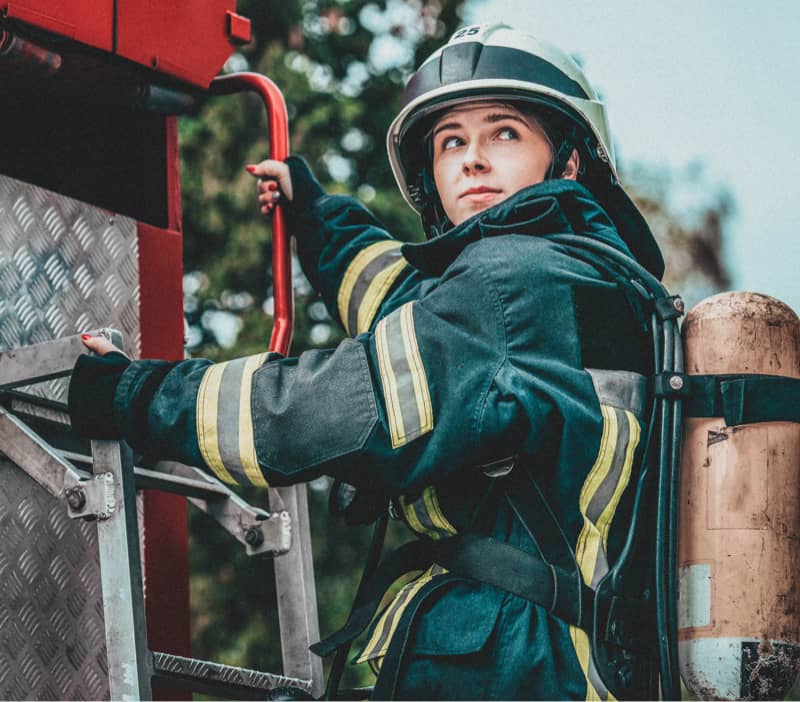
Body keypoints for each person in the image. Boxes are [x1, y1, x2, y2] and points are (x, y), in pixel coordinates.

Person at [69, 23, 665, 700]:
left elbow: (326, 411)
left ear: (568, 162)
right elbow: (410, 307)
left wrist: (132, 394)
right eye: (451, 142)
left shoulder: (512, 284)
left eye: (505, 132)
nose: (472, 160)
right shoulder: (579, 283)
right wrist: (320, 218)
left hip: (501, 663)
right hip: (562, 663)